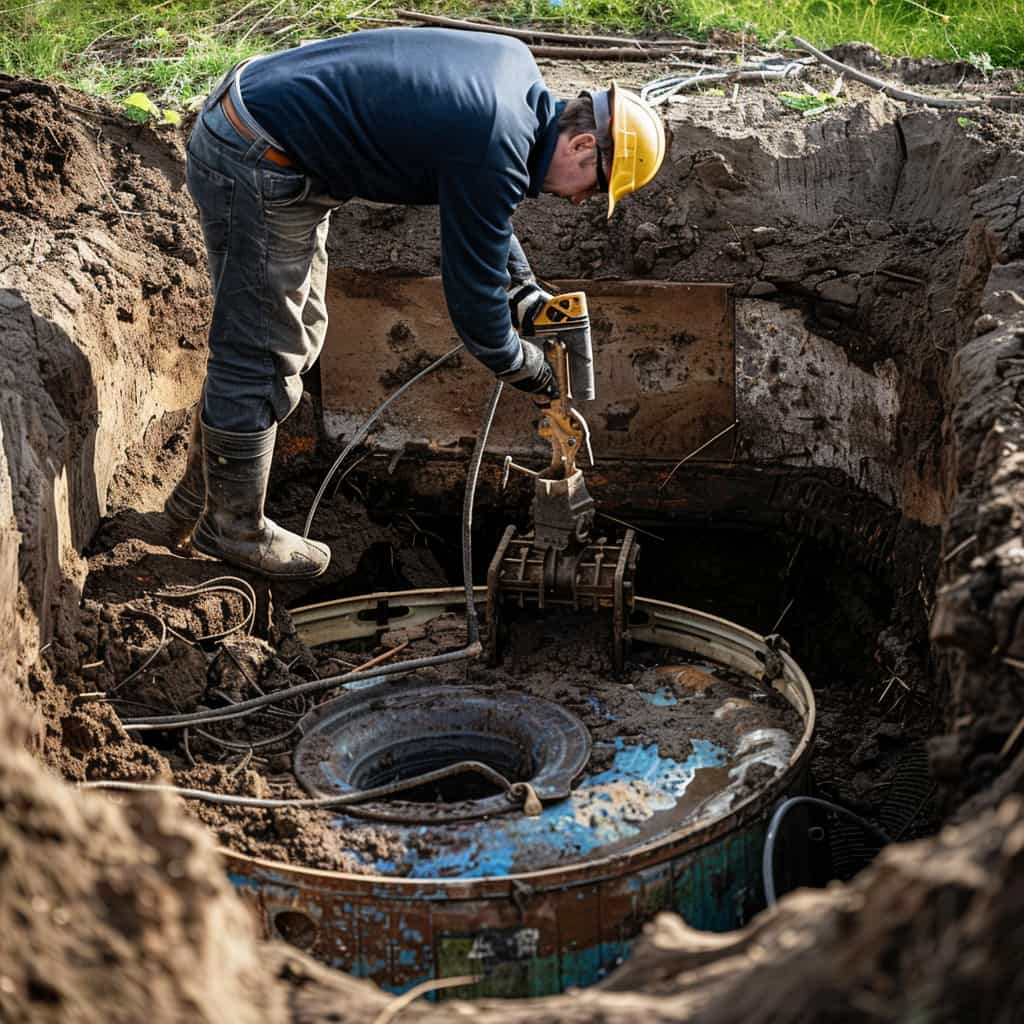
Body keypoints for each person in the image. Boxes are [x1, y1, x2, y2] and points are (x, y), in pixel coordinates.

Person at [167, 26, 666, 580]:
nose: (579, 200)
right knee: (263, 350)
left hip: (278, 125)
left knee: (298, 334)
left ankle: (200, 496)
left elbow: (486, 210)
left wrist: (524, 292)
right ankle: (232, 528)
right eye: (594, 188)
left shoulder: (516, 78)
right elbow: (476, 316)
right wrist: (532, 372)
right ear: (581, 145)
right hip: (256, 153)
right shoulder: (492, 143)